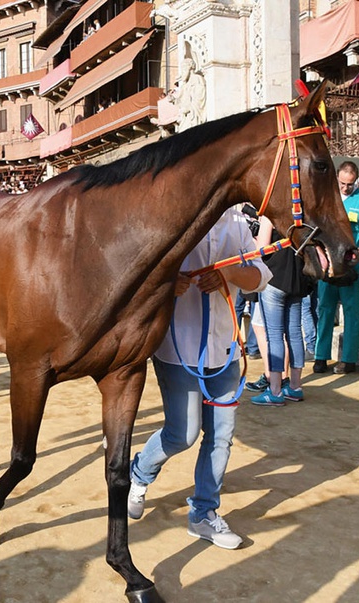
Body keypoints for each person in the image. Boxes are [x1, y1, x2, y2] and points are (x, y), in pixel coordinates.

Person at [128, 208, 272, 549]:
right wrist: (167, 285)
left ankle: (203, 514)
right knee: (183, 433)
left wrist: (231, 274)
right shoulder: (172, 216)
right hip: (177, 347)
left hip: (223, 347)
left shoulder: (237, 223)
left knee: (221, 436)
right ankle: (139, 472)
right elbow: (137, 276)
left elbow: (261, 276)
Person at [313, 162, 359, 374]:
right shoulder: (327, 197)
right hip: (330, 262)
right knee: (325, 308)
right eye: (342, 183)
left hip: (351, 263)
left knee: (351, 310)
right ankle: (320, 356)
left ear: (357, 181)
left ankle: (349, 359)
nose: (345, 188)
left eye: (349, 185)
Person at [250, 216, 312, 406]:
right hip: (297, 279)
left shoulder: (271, 215)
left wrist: (251, 239)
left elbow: (261, 249)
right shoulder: (301, 217)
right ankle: (295, 386)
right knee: (294, 333)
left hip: (274, 279)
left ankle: (275, 389)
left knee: (274, 335)